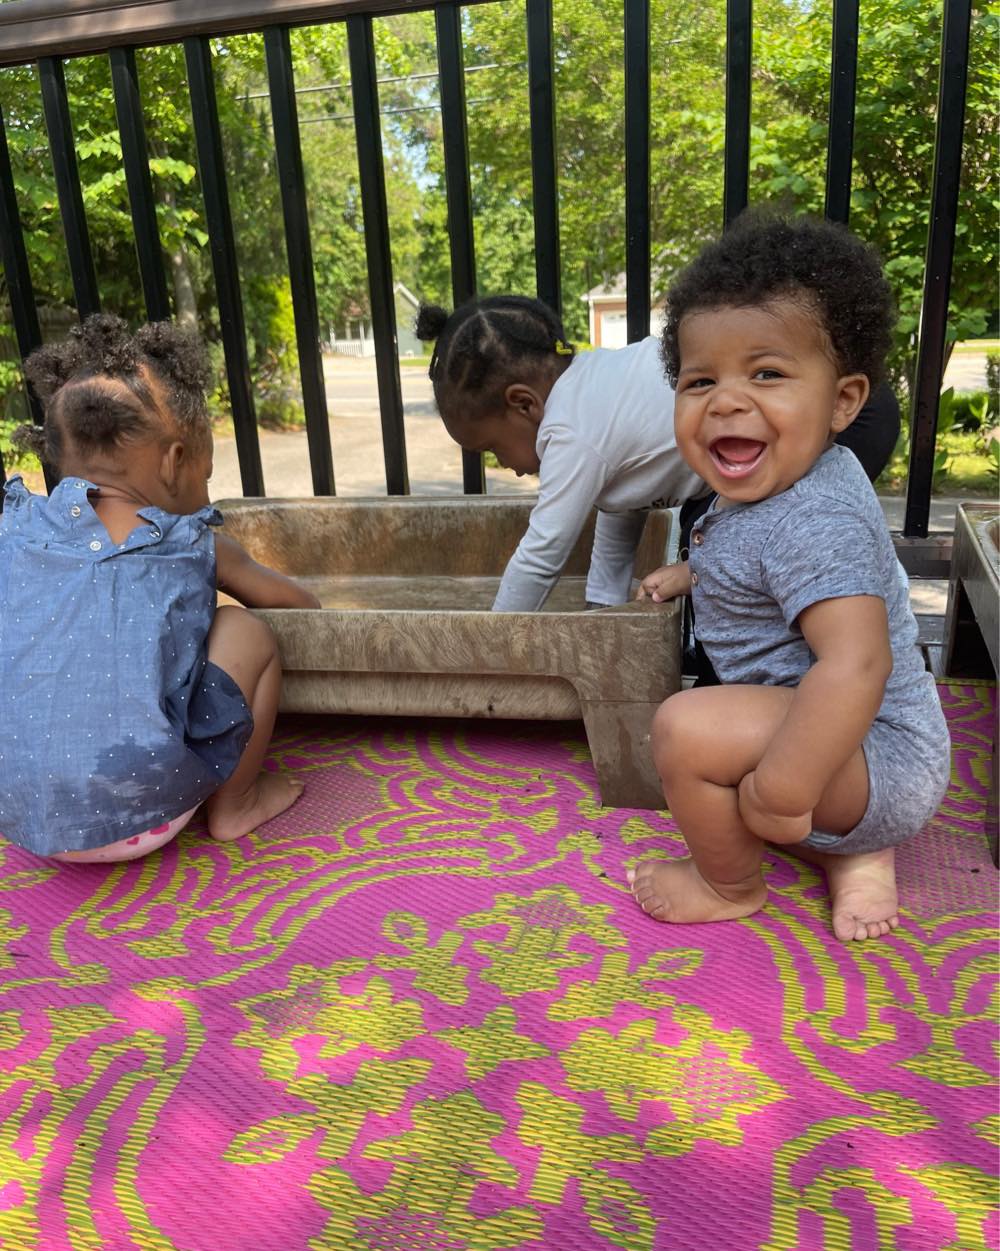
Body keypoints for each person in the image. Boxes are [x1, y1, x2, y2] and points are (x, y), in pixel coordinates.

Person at [627, 213, 951, 941]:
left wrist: (783, 787)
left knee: (685, 730)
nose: (727, 400)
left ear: (843, 401)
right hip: (848, 744)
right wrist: (691, 570)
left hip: (878, 752)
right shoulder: (780, 483)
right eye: (699, 379)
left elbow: (856, 661)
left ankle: (727, 882)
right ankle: (856, 852)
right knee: (742, 759)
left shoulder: (815, 517)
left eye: (767, 373)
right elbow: (759, 560)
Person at [0, 314, 320, 864]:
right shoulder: (192, 542)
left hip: (22, 814)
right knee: (246, 630)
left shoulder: (16, 530)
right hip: (146, 817)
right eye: (206, 473)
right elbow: (303, 606)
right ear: (175, 463)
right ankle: (236, 803)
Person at [416, 296, 900, 613]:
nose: (504, 466)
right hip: (818, 406)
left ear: (524, 404)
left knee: (774, 545)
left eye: (491, 449)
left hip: (829, 412)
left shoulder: (569, 429)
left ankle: (849, 646)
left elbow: (541, 555)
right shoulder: (591, 399)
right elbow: (620, 509)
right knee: (736, 538)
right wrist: (603, 609)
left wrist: (491, 642)